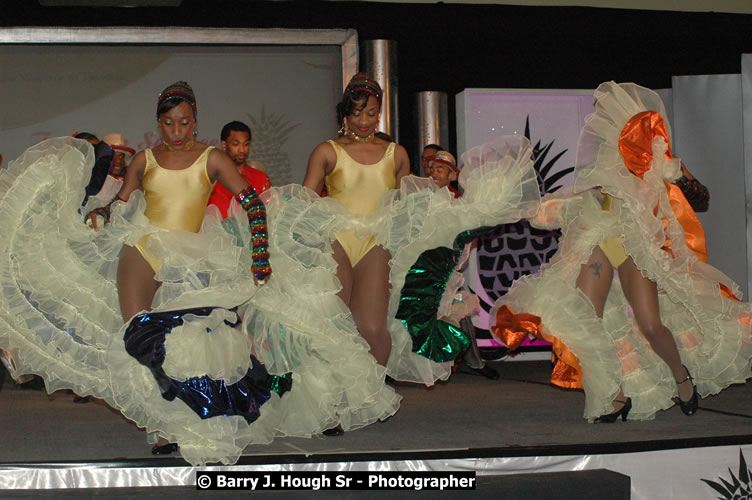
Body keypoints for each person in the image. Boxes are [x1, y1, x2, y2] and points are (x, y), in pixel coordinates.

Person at [492, 81, 752, 422]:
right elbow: (579, 197)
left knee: (651, 324)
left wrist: (679, 178)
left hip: (633, 244)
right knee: (586, 319)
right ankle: (612, 394)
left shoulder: (657, 158)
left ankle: (680, 375)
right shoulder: (599, 162)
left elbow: (700, 197)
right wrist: (522, 207)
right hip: (599, 239)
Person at [302, 73, 410, 366]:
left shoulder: (396, 154)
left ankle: (372, 394)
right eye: (357, 112)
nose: (364, 119)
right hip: (336, 237)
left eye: (371, 112)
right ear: (345, 114)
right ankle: (333, 395)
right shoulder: (328, 150)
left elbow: (408, 205)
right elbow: (306, 202)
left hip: (375, 240)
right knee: (334, 321)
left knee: (372, 328)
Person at [207, 121, 272, 218]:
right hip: (211, 232)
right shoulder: (210, 177)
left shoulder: (261, 178)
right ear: (224, 144)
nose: (242, 150)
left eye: (246, 144)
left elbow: (270, 214)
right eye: (235, 144)